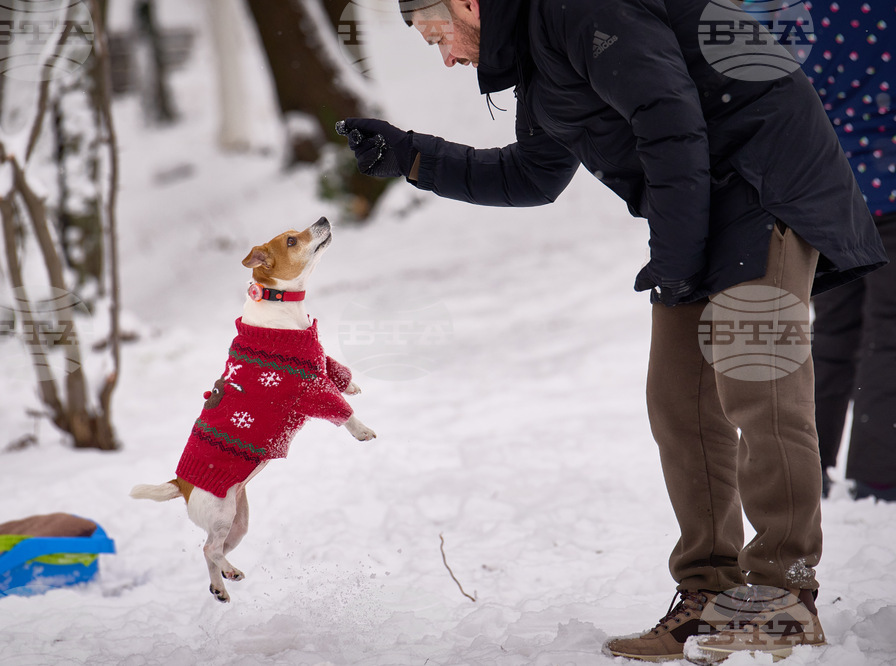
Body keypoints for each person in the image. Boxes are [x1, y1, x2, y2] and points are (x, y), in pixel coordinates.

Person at [338, 0, 888, 662]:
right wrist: (410, 155)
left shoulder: (578, 10)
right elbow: (531, 174)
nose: (448, 58)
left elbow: (670, 121)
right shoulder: (539, 55)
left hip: (762, 180)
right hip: (700, 200)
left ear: (467, 4)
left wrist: (677, 260)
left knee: (759, 387)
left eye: (438, 38)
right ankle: (709, 592)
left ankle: (783, 596)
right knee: (679, 402)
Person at [802, 2, 896, 503]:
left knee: (833, 329)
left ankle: (805, 465)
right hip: (890, 188)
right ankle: (879, 473)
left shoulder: (799, 10)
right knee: (891, 329)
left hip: (829, 191)